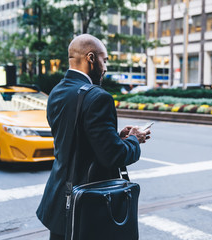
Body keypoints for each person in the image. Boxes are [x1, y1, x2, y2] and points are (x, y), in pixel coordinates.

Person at [36, 34, 151, 240]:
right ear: (90, 58)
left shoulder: (56, 92)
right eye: (104, 60)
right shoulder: (99, 97)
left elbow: (75, 139)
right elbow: (113, 156)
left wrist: (115, 137)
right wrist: (133, 139)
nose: (105, 67)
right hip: (87, 205)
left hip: (59, 203)